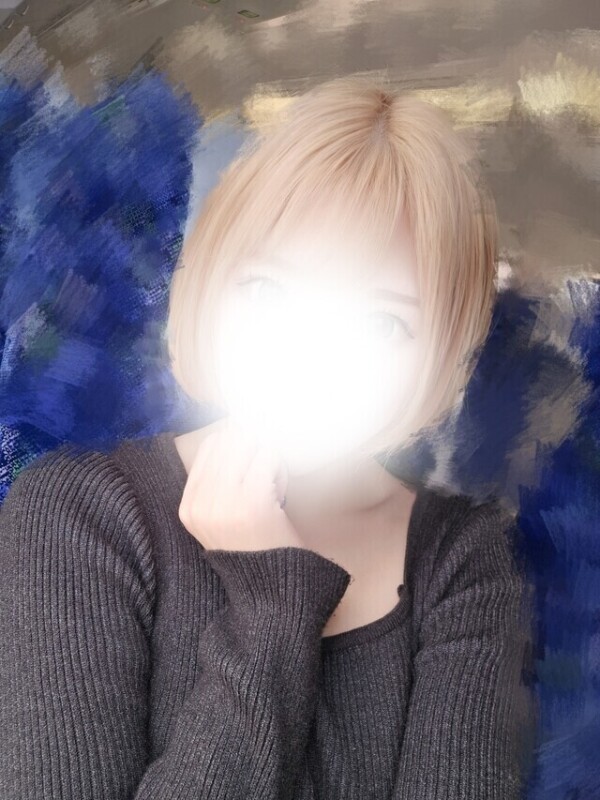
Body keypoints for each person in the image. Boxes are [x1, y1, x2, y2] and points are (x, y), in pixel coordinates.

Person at [0, 75, 536, 799]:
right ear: (211, 286)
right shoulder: (75, 515)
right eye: (269, 291)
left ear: (441, 355)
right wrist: (271, 607)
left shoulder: (464, 560)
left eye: (382, 323)